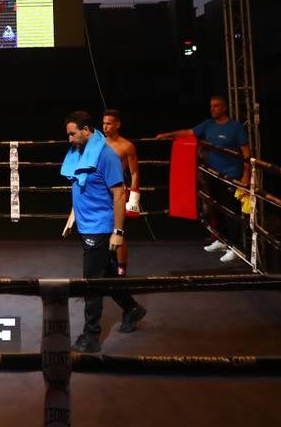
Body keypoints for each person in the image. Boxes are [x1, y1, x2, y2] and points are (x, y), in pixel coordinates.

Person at [61, 111, 146, 353]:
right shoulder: (81, 152)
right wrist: (72, 215)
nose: (69, 139)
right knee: (105, 274)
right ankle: (132, 308)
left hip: (99, 227)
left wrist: (118, 231)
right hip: (85, 223)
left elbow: (119, 194)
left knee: (92, 283)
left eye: (72, 134)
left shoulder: (105, 155)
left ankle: (91, 336)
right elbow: (80, 184)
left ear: (86, 130)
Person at [156, 95, 252, 263]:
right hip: (212, 174)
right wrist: (167, 134)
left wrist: (246, 175)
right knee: (217, 209)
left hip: (231, 176)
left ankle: (235, 248)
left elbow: (246, 153)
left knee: (231, 212)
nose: (212, 108)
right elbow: (188, 132)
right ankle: (222, 241)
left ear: (224, 108)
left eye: (216, 106)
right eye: (211, 106)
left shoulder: (235, 127)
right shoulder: (208, 125)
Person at [102, 109, 140, 276]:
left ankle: (121, 268)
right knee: (101, 230)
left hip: (118, 192)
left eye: (109, 123)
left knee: (119, 231)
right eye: (103, 123)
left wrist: (134, 198)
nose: (105, 126)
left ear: (117, 124)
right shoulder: (98, 144)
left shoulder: (127, 146)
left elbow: (134, 173)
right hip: (100, 193)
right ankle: (104, 264)